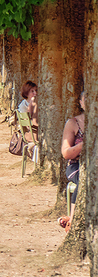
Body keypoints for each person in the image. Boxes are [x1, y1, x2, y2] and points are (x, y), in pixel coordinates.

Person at [59, 90, 85, 230]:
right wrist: (84, 144)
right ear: (81, 103)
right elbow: (66, 153)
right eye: (86, 99)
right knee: (85, 178)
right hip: (76, 166)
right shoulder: (73, 123)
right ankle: (74, 220)